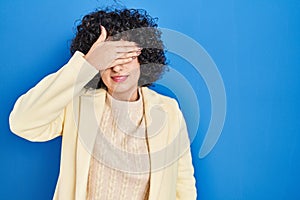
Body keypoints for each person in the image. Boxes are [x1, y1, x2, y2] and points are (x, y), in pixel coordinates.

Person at [9, 8, 197, 200]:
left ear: (144, 59)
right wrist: (87, 64)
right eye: (109, 58)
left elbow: (183, 185)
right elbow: (22, 122)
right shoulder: (78, 104)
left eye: (127, 56)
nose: (117, 67)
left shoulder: (168, 109)